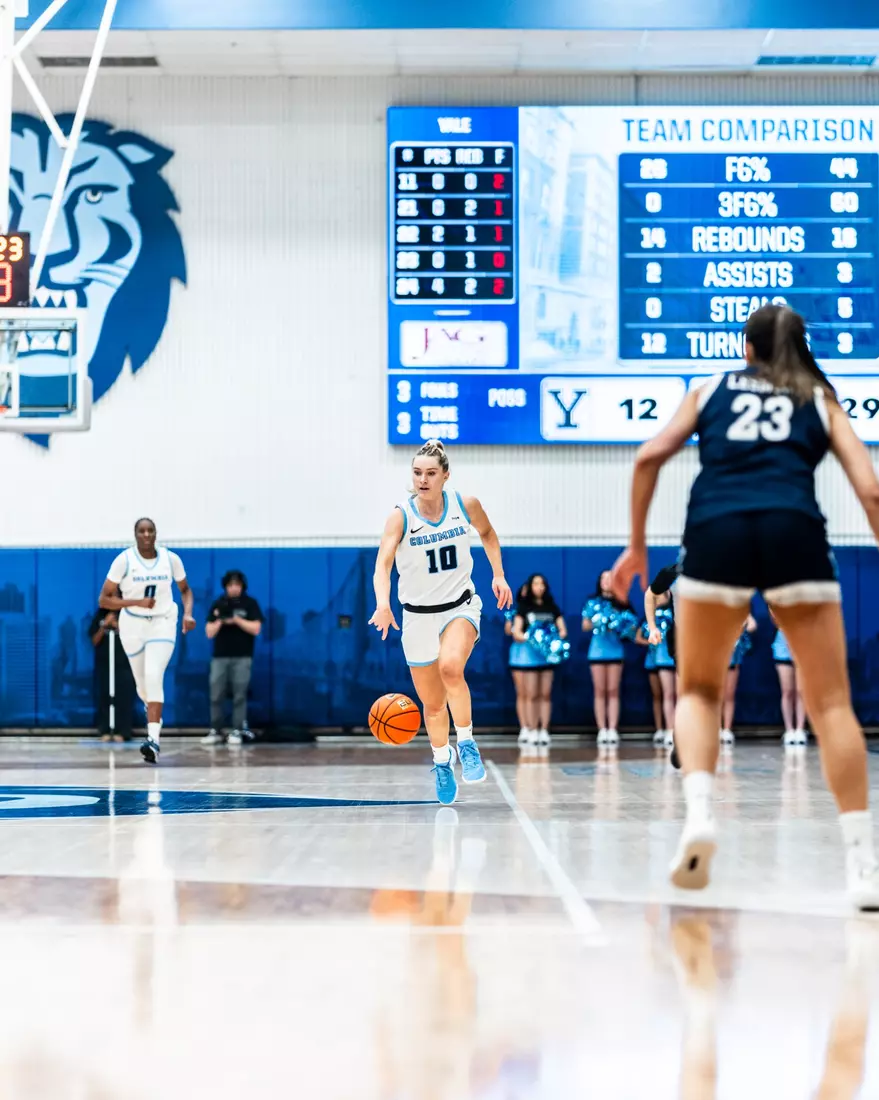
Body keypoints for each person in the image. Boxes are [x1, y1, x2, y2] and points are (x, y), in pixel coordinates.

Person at [612, 303, 879, 908]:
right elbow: (871, 488)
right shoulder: (819, 396)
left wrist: (635, 545)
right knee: (832, 704)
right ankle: (864, 866)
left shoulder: (709, 389)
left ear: (747, 347)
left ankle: (701, 816)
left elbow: (648, 456)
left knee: (699, 691)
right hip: (795, 533)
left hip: (717, 534)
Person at [369, 440, 512, 805]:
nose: (423, 479)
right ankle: (442, 761)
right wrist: (383, 604)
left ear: (445, 475)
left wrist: (498, 575)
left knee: (451, 668)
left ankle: (466, 742)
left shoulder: (465, 505)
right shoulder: (401, 516)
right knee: (432, 706)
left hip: (460, 607)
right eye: (417, 473)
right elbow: (383, 563)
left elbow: (489, 535)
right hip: (416, 617)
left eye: (431, 473)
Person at [98, 518, 195, 764]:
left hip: (163, 621)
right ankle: (153, 712)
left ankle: (153, 740)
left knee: (154, 675)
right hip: (132, 623)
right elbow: (104, 600)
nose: (146, 534)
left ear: (156, 534)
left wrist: (188, 613)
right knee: (143, 687)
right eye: (142, 531)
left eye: (150, 530)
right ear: (135, 535)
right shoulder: (124, 561)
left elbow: (185, 590)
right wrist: (135, 602)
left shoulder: (170, 559)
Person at [202, 570, 265, 746]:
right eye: (230, 585)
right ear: (225, 587)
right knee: (216, 694)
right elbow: (209, 632)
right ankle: (216, 729)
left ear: (242, 586)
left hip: (242, 657)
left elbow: (256, 628)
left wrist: (237, 620)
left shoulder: (250, 604)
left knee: (240, 694)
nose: (234, 588)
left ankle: (237, 729)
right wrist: (221, 620)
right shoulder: (218, 604)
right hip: (220, 657)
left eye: (237, 585)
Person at [509, 574, 567, 748]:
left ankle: (544, 730)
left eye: (542, 584)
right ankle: (532, 729)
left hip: (547, 657)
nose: (539, 587)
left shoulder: (552, 607)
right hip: (529, 659)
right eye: (536, 584)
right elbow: (517, 632)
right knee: (531, 694)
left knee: (545, 694)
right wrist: (531, 637)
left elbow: (562, 630)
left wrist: (553, 639)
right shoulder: (524, 608)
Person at [582, 571, 638, 746]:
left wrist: (619, 624)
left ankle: (612, 729)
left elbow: (632, 626)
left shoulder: (623, 602)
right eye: (604, 579)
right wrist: (599, 621)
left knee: (613, 690)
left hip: (615, 651)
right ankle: (602, 729)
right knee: (600, 691)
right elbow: (585, 626)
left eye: (610, 579)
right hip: (597, 652)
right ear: (599, 582)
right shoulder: (592, 602)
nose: (607, 582)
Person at [88, 605, 136, 742]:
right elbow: (94, 640)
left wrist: (119, 626)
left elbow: (135, 640)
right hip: (104, 664)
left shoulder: (128, 614)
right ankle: (104, 729)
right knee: (104, 696)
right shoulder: (100, 615)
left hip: (124, 664)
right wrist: (104, 626)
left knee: (124, 696)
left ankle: (123, 731)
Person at [644, 569, 679, 749]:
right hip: (682, 639)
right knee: (681, 693)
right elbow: (650, 594)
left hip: (708, 638)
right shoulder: (672, 572)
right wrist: (652, 627)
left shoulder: (714, 569)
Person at [771, 609, 807, 746]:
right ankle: (789, 729)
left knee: (801, 691)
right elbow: (775, 616)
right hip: (783, 647)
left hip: (803, 645)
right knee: (787, 691)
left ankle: (800, 729)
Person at [720, 613, 757, 746]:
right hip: (715, 654)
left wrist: (740, 626)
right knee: (716, 695)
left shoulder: (738, 607)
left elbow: (752, 625)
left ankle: (727, 729)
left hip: (732, 653)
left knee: (729, 694)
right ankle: (716, 728)